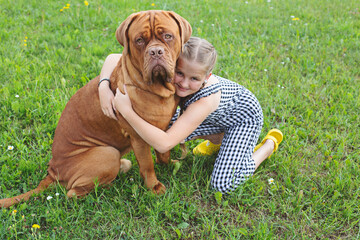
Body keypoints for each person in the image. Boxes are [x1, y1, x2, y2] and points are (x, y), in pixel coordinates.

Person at [98, 37, 283, 194]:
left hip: (243, 119)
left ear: (207, 77)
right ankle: (220, 140)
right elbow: (113, 57)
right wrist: (103, 86)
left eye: (194, 79)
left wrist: (127, 111)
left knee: (223, 185)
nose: (184, 84)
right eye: (179, 73)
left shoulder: (205, 100)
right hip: (216, 117)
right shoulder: (182, 76)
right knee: (161, 123)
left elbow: (164, 143)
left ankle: (265, 148)